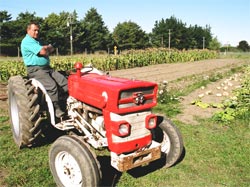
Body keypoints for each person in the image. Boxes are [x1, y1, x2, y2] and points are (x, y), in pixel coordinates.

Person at [21, 21, 68, 119]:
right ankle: (56, 109)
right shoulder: (27, 41)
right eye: (34, 30)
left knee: (65, 82)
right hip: (36, 70)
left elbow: (49, 49)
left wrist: (47, 48)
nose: (37, 32)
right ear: (28, 30)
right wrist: (48, 47)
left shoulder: (37, 41)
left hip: (47, 69)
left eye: (38, 30)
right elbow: (43, 51)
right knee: (51, 86)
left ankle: (68, 104)